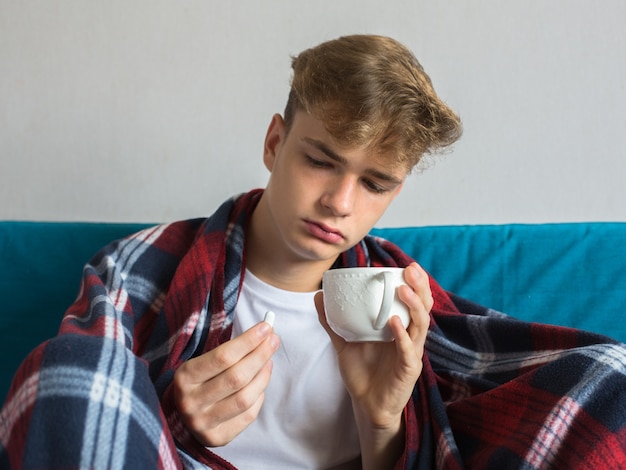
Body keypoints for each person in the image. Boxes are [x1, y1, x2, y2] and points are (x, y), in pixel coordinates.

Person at [1, 34, 625, 470]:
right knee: (68, 374)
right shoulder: (146, 265)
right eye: (320, 161)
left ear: (395, 192)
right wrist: (169, 416)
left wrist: (382, 420)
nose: (339, 202)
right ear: (275, 142)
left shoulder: (404, 300)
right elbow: (75, 416)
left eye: (374, 184)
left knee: (612, 381)